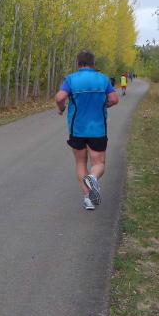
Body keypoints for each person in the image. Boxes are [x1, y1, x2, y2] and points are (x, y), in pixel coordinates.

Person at [55, 50, 119, 210]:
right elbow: (114, 99)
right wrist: (104, 105)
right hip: (98, 129)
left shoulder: (71, 79)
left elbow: (60, 97)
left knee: (80, 162)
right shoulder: (103, 79)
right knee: (99, 163)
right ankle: (93, 177)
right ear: (93, 63)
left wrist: (61, 108)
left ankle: (88, 199)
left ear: (78, 63)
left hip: (77, 129)